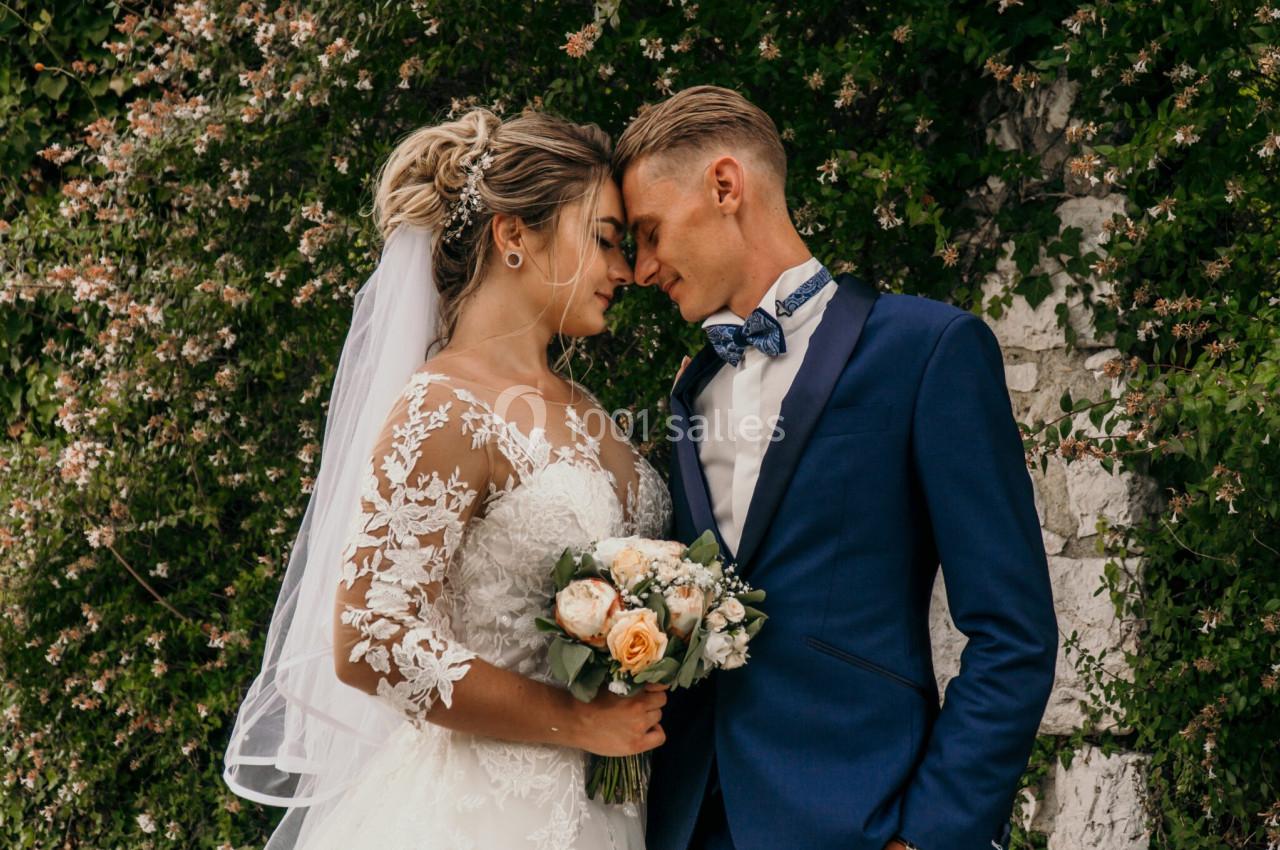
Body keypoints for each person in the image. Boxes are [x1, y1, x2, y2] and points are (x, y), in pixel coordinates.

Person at [614, 85, 1059, 850]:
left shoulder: (928, 350)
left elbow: (1013, 634)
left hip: (858, 819)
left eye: (650, 233)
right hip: (688, 824)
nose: (644, 267)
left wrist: (930, 836)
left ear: (726, 186)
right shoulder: (690, 391)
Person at [223, 107, 672, 850]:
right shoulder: (444, 406)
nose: (623, 270)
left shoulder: (588, 409)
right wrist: (579, 721)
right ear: (513, 235)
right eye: (603, 241)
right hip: (487, 813)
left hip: (615, 806)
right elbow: (371, 640)